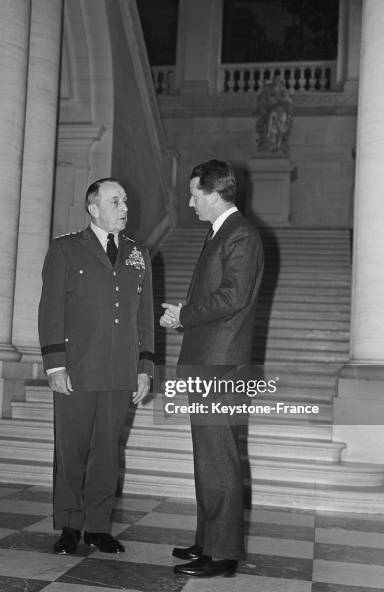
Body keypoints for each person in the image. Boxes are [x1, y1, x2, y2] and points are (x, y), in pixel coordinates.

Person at [39, 178, 154, 555]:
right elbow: (51, 310)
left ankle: (99, 528)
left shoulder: (139, 254)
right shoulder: (66, 249)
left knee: (107, 451)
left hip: (120, 371)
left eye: (125, 201)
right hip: (78, 368)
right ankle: (70, 525)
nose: (124, 208)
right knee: (71, 450)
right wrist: (55, 365)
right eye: (115, 201)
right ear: (93, 208)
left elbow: (145, 317)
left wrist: (144, 368)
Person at [160, 160, 264, 578]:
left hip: (221, 366)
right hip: (209, 362)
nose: (189, 202)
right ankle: (209, 539)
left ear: (215, 193)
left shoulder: (240, 235)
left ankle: (222, 555)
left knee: (218, 458)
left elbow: (232, 298)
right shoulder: (223, 233)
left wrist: (185, 314)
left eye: (194, 194)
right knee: (208, 457)